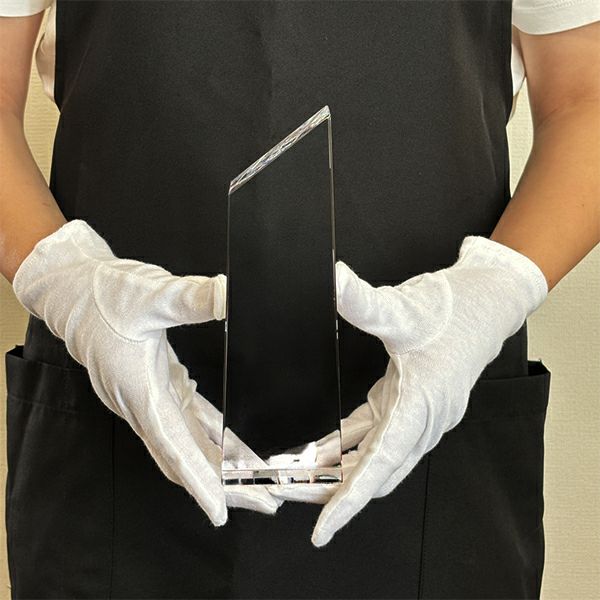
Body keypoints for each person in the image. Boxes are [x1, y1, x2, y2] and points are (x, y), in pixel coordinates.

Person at [1, 1, 598, 598]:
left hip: (435, 437)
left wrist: (486, 301)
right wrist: (67, 285)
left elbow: (584, 98)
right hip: (113, 428)